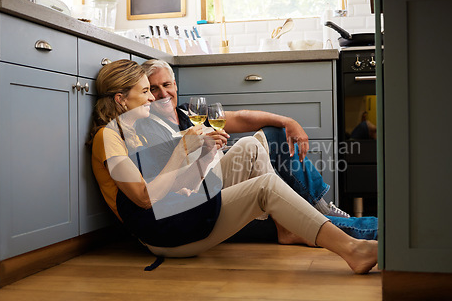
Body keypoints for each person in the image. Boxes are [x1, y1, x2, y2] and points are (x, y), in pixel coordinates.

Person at [89, 59, 378, 274]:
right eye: (145, 91)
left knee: (250, 147)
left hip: (174, 213)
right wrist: (181, 152)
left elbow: (166, 183)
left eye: (159, 88)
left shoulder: (138, 130)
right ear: (121, 100)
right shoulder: (109, 137)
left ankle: (297, 227)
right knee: (265, 187)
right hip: (163, 232)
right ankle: (351, 248)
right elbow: (142, 198)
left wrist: (198, 163)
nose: (153, 97)